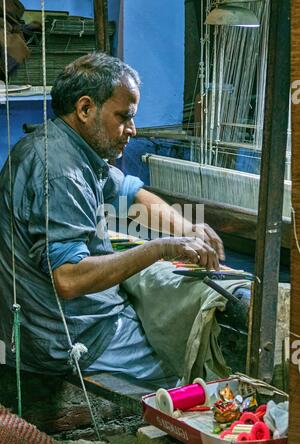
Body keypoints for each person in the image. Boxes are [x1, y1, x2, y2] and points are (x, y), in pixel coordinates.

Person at [0, 53, 224, 386]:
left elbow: (130, 193)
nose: (132, 130)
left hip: (57, 325)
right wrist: (161, 249)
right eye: (124, 117)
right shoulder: (61, 172)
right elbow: (69, 280)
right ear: (85, 108)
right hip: (69, 337)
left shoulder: (64, 146)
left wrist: (187, 227)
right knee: (189, 373)